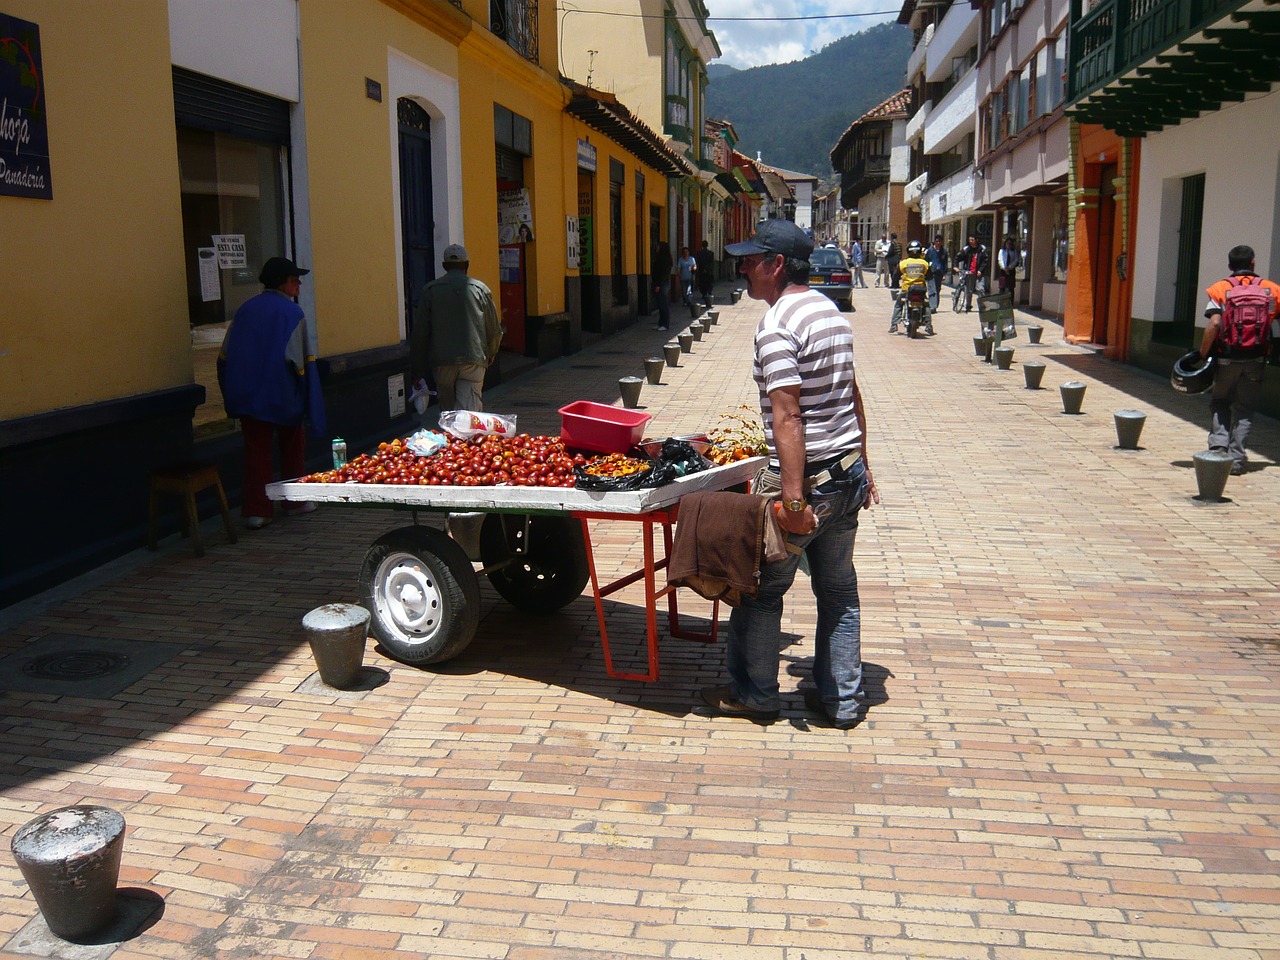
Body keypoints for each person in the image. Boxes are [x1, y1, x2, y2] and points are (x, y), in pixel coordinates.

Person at [700, 218, 880, 729]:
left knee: (761, 591)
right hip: (845, 476)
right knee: (839, 590)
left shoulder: (778, 325)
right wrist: (864, 465)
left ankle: (754, 694)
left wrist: (793, 502)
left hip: (812, 483)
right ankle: (843, 699)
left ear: (777, 265)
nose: (741, 267)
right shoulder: (830, 312)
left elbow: (788, 415)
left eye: (751, 259)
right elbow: (852, 395)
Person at [217, 256, 324, 530]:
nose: (299, 284)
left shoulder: (244, 310)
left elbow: (224, 358)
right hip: (283, 395)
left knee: (256, 453)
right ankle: (294, 501)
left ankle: (257, 511)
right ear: (285, 283)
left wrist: (231, 394)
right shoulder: (293, 314)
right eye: (294, 279)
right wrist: (310, 403)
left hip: (249, 396)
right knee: (291, 448)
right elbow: (301, 362)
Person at [1197, 244, 1280, 475]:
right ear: (1253, 263)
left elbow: (1214, 324)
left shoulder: (1220, 289)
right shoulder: (1272, 290)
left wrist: (1203, 353)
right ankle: (1236, 460)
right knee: (1245, 409)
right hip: (1256, 358)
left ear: (1230, 266)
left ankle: (1217, 449)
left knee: (1220, 401)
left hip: (1226, 358)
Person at [410, 243, 503, 413]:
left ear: (444, 266)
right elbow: (494, 330)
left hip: (442, 361)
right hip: (473, 360)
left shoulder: (430, 290)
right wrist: (490, 353)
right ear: (467, 265)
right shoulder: (480, 290)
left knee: (449, 415)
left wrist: (418, 371)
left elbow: (420, 335)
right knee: (468, 415)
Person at [889, 240, 932, 335]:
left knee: (898, 305)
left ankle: (894, 325)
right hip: (921, 289)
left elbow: (895, 276)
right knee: (926, 305)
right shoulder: (924, 263)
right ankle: (928, 325)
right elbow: (929, 276)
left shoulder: (903, 263)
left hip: (906, 289)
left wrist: (895, 283)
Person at [956, 235, 989, 312]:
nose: (970, 241)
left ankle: (982, 306)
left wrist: (980, 270)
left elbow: (985, 261)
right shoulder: (967, 249)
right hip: (969, 272)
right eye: (969, 240)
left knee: (980, 289)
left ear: (976, 240)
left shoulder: (982, 249)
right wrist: (955, 266)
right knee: (969, 290)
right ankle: (968, 305)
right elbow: (958, 257)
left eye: (972, 240)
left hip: (979, 273)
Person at [652, 241, 673, 330]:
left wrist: (658, 285)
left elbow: (663, 274)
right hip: (662, 283)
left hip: (662, 283)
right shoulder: (662, 258)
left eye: (658, 246)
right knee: (660, 304)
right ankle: (660, 323)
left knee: (663, 304)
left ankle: (665, 324)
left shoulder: (664, 260)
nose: (657, 248)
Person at [924, 236, 949, 312]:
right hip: (931, 273)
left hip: (939, 273)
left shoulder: (944, 251)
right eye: (937, 241)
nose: (938, 243)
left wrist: (944, 274)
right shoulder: (930, 251)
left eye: (939, 241)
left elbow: (945, 263)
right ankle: (932, 306)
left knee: (937, 290)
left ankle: (935, 305)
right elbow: (926, 261)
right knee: (932, 289)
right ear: (934, 241)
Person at [694, 239, 716, 311]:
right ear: (707, 245)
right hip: (709, 270)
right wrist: (707, 268)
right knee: (709, 281)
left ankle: (703, 293)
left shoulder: (699, 253)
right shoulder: (711, 253)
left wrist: (703, 268)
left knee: (702, 281)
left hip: (701, 270)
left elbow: (699, 262)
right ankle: (709, 291)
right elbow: (711, 262)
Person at [677, 246, 699, 318]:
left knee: (689, 289)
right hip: (683, 277)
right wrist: (679, 274)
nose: (686, 253)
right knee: (684, 290)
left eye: (687, 252)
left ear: (689, 252)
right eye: (684, 252)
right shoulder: (681, 260)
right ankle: (685, 301)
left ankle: (688, 301)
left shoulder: (692, 259)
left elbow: (695, 266)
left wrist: (694, 268)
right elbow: (678, 268)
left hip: (690, 277)